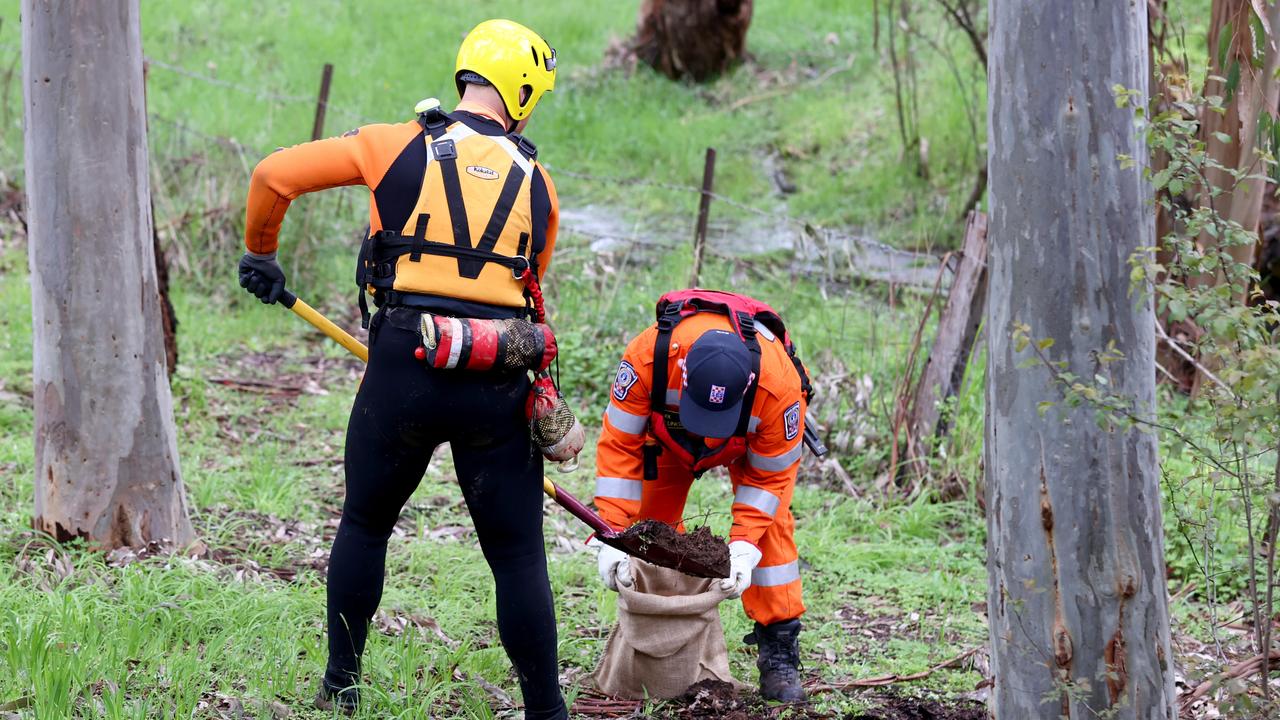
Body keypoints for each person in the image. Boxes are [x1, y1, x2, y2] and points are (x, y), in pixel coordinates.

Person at [236, 19, 568, 719]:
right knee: (517, 557)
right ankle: (547, 710)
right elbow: (530, 285)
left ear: (466, 74)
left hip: (402, 368)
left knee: (364, 525)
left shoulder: (392, 144)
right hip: (496, 374)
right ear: (526, 91)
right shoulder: (540, 185)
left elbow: (272, 176)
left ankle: (342, 686)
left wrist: (262, 253)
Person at [590, 291, 813, 702]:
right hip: (668, 440)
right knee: (648, 537)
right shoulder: (647, 359)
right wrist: (612, 534)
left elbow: (769, 480)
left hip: (749, 446)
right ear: (684, 374)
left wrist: (744, 546)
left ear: (748, 386)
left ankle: (778, 644)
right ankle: (657, 645)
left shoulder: (779, 389)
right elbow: (620, 446)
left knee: (770, 530)